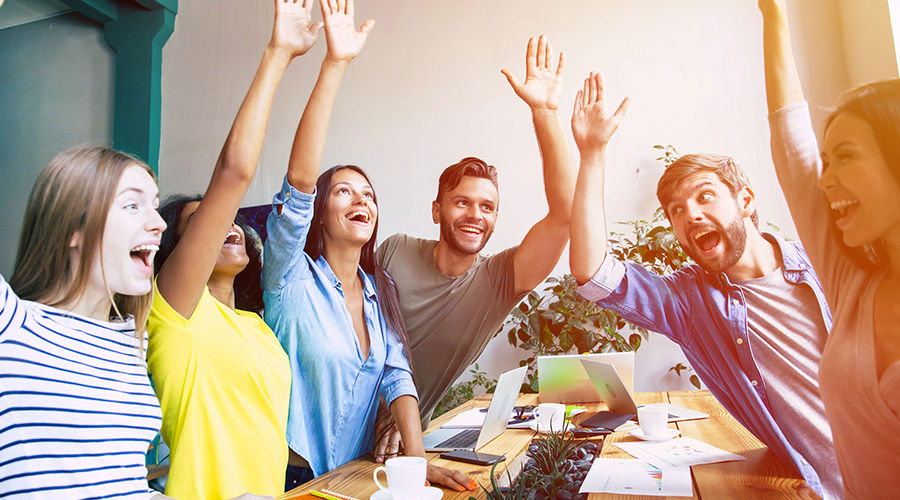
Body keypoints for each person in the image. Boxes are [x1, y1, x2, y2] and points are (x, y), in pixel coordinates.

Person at [567, 72, 841, 497]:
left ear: (745, 201)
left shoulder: (823, 262)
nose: (689, 214)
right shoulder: (690, 302)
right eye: (676, 210)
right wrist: (592, 153)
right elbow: (594, 273)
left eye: (705, 196)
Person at [261, 0, 474, 493]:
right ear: (319, 210)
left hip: (355, 476)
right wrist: (336, 64)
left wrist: (417, 468)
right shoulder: (290, 276)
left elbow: (398, 378)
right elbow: (298, 181)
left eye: (369, 195)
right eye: (343, 191)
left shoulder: (379, 294)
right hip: (290, 480)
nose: (361, 200)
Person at [372, 34, 577, 458]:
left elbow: (564, 214)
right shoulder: (394, 250)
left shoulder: (500, 279)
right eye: (462, 202)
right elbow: (353, 332)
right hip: (333, 427)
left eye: (487, 207)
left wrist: (544, 112)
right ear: (437, 210)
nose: (474, 215)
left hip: (401, 448)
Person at [146, 0, 317, 498]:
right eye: (202, 223)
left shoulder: (257, 326)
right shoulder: (173, 311)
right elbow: (233, 175)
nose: (229, 227)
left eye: (229, 222)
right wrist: (279, 53)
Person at [758, 0, 900, 496]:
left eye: (845, 156)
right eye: (825, 159)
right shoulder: (855, 283)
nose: (826, 178)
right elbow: (791, 145)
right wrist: (773, 14)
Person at [0, 147, 167, 499]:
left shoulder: (130, 340)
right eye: (132, 205)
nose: (159, 222)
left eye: (154, 204)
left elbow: (124, 487)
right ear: (71, 229)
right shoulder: (11, 324)